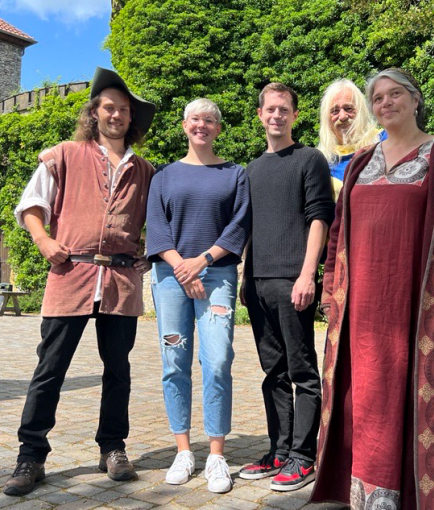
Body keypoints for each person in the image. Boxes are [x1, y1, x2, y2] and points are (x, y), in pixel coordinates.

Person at [310, 68, 434, 509]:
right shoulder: (359, 161)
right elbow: (338, 231)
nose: (386, 103)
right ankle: (366, 490)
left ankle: (414, 495)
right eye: (377, 97)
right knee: (364, 399)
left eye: (395, 95)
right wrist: (332, 287)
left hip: (417, 308)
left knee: (411, 398)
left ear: (415, 100)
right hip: (362, 310)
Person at [3, 67, 157, 496]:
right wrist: (43, 240)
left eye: (124, 110)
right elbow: (32, 204)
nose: (116, 115)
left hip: (122, 281)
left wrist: (151, 247)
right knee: (49, 370)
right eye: (109, 107)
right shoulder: (65, 154)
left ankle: (112, 447)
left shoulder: (145, 170)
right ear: (95, 112)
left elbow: (159, 220)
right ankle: (30, 456)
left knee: (118, 370)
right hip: (71, 274)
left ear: (131, 119)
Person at [145, 98, 251, 494]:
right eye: (195, 119)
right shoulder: (164, 176)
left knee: (218, 360)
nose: (201, 125)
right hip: (171, 278)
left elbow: (239, 225)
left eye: (209, 120)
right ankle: (184, 450)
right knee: (174, 361)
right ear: (184, 125)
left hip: (218, 276)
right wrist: (182, 266)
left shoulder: (234, 173)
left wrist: (202, 261)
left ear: (218, 128)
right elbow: (156, 228)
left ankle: (217, 455)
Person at [238, 83, 334, 491]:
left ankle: (302, 457)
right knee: (272, 372)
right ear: (259, 115)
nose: (276, 115)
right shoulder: (252, 169)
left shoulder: (310, 159)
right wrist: (245, 279)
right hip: (258, 284)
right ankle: (278, 451)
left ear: (295, 115)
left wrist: (307, 273)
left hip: (293, 281)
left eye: (284, 109)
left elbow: (319, 217)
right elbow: (247, 229)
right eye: (269, 109)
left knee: (302, 372)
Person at [316, 79, 385, 200]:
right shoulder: (321, 160)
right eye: (335, 111)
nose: (342, 117)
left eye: (348, 108)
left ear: (361, 111)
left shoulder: (384, 141)